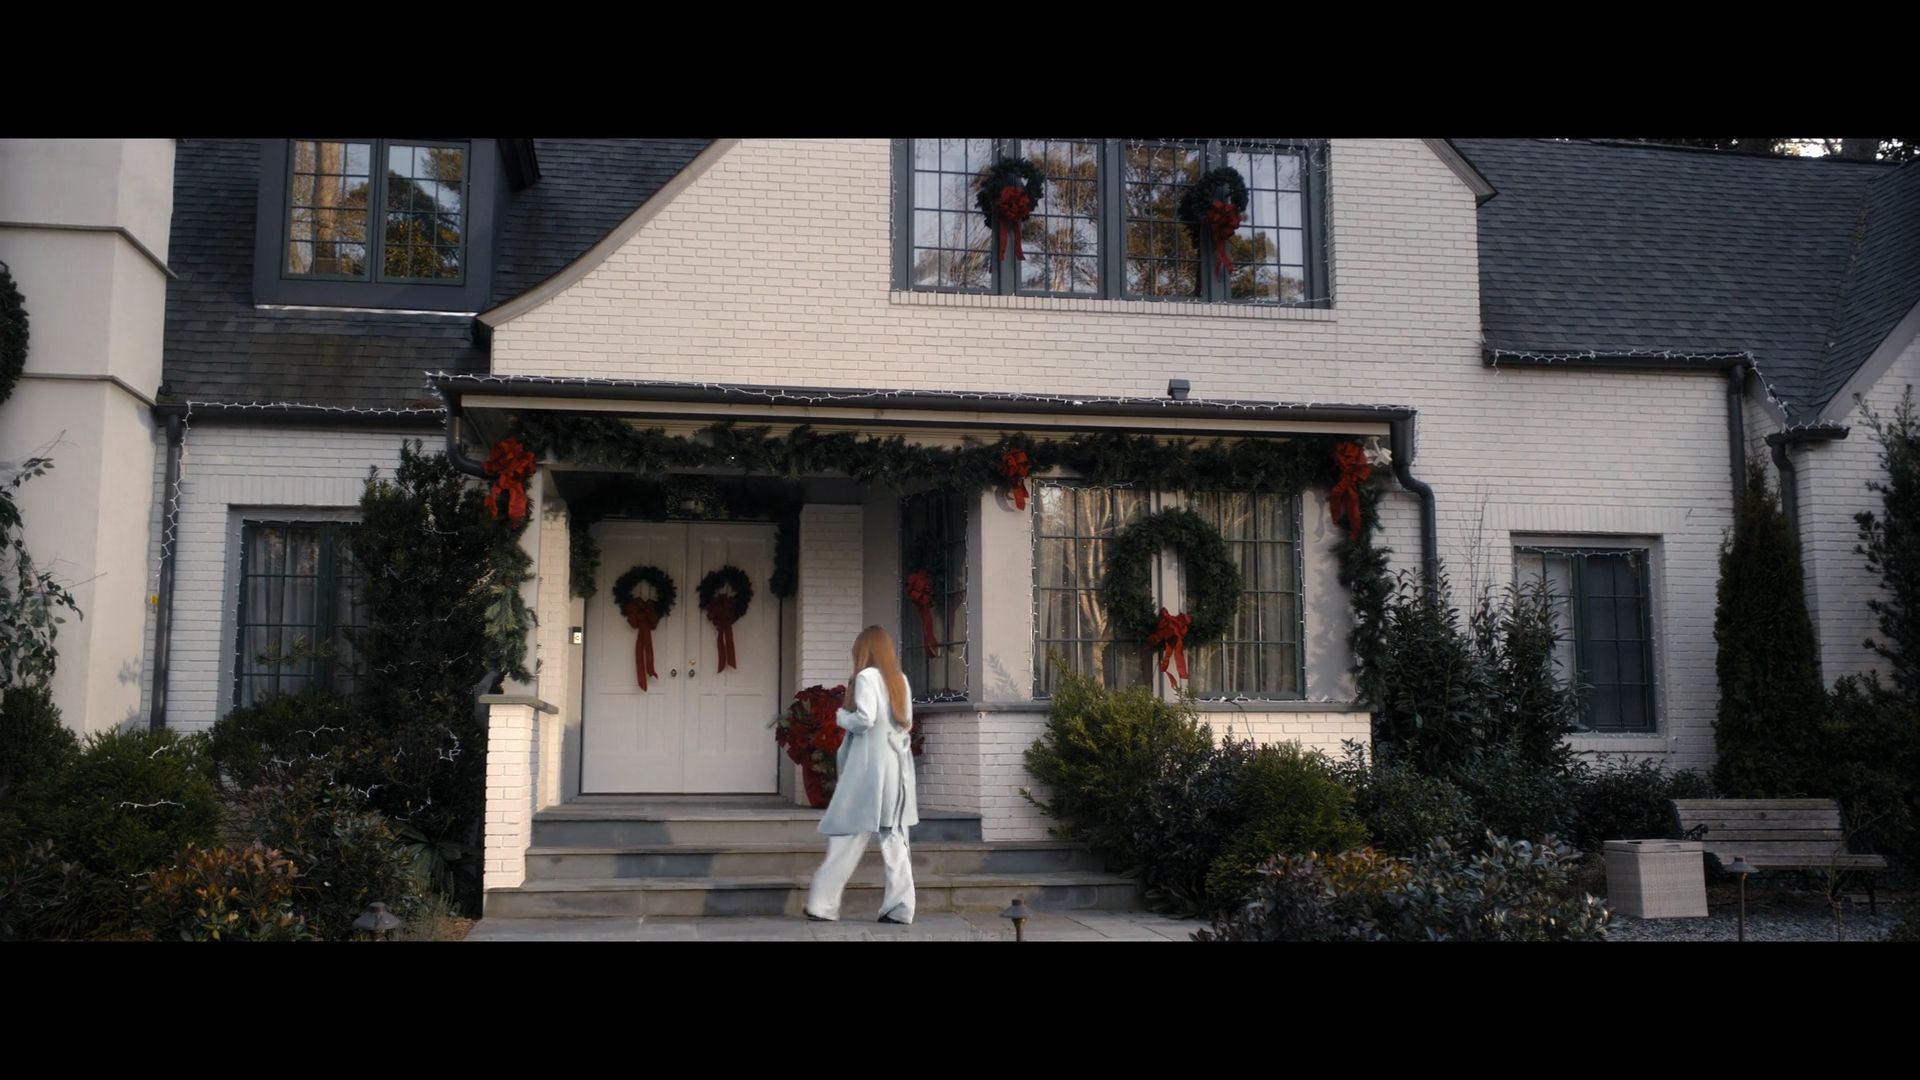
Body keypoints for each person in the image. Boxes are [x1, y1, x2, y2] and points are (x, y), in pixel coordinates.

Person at [804, 624, 919, 924]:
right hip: (896, 769)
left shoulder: (866, 677)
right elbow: (906, 723)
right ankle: (900, 908)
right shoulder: (900, 680)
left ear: (864, 650)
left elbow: (866, 719)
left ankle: (822, 905)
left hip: (869, 770)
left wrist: (842, 717)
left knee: (847, 835)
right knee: (895, 840)